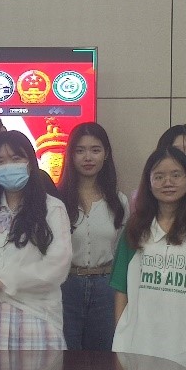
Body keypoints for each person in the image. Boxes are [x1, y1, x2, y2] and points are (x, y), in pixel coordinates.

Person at [111, 147, 186, 370]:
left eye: (176, 175)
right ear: (149, 182)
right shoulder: (135, 228)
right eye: (159, 176)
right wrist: (120, 335)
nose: (168, 182)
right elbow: (121, 289)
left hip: (183, 346)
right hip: (136, 344)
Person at [0, 131, 72, 351]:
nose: (8, 166)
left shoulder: (52, 208)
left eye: (16, 158)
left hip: (33, 314)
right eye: (0, 161)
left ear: (30, 163)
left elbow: (57, 266)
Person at [55, 122, 127, 352]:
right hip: (65, 285)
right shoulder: (56, 201)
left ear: (106, 154)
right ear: (71, 155)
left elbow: (122, 252)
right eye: (80, 150)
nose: (88, 157)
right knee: (66, 357)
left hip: (106, 287)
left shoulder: (119, 202)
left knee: (102, 358)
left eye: (95, 150)